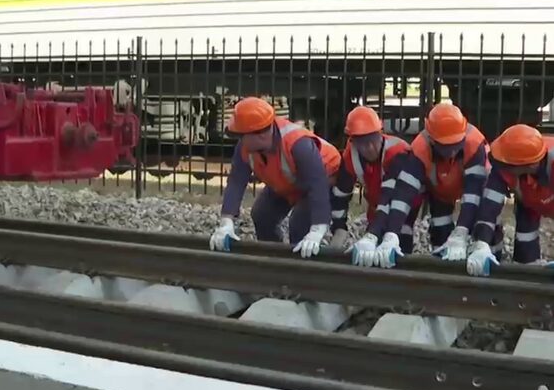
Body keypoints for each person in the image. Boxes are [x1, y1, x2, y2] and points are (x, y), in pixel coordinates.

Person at [209, 97, 341, 258]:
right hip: (290, 183)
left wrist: (318, 229)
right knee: (262, 215)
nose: (240, 141)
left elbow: (317, 185)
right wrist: (226, 222)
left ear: (261, 135)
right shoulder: (246, 147)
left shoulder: (298, 144)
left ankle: (302, 266)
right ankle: (275, 260)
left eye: (242, 136)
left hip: (324, 180)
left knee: (299, 224)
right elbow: (236, 181)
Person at [373, 103, 491, 268]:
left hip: (477, 192)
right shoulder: (420, 148)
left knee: (488, 227)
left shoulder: (474, 143)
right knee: (441, 230)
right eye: (445, 147)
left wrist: (461, 232)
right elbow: (404, 194)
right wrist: (391, 234)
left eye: (455, 145)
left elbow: (473, 194)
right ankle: (442, 271)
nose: (451, 152)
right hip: (440, 192)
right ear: (432, 140)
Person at [329, 106, 418, 267]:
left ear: (380, 133)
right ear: (352, 141)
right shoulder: (350, 156)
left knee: (399, 240)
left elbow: (390, 197)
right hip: (377, 206)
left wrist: (373, 234)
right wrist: (339, 228)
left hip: (403, 207)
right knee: (371, 255)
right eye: (362, 143)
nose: (369, 148)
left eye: (373, 140)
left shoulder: (397, 152)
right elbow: (341, 193)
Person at [467, 124, 554, 276]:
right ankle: (526, 272)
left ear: (529, 165)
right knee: (525, 251)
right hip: (531, 205)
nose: (501, 166)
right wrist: (481, 244)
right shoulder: (504, 168)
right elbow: (489, 207)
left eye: (506, 164)